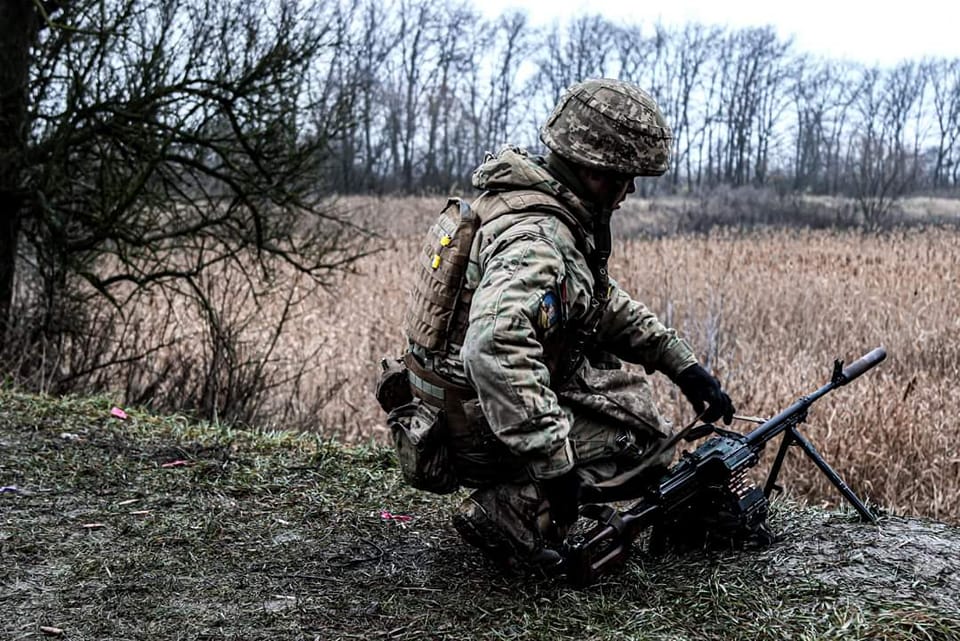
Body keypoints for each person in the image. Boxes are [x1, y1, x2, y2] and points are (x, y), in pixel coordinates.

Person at [391, 78, 735, 573]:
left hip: (449, 411)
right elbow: (491, 345)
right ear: (595, 171)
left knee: (622, 393)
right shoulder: (539, 238)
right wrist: (555, 463)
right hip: (472, 427)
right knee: (645, 441)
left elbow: (598, 302)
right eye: (625, 176)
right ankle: (510, 510)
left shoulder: (519, 200)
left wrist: (683, 366)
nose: (630, 190)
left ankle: (520, 493)